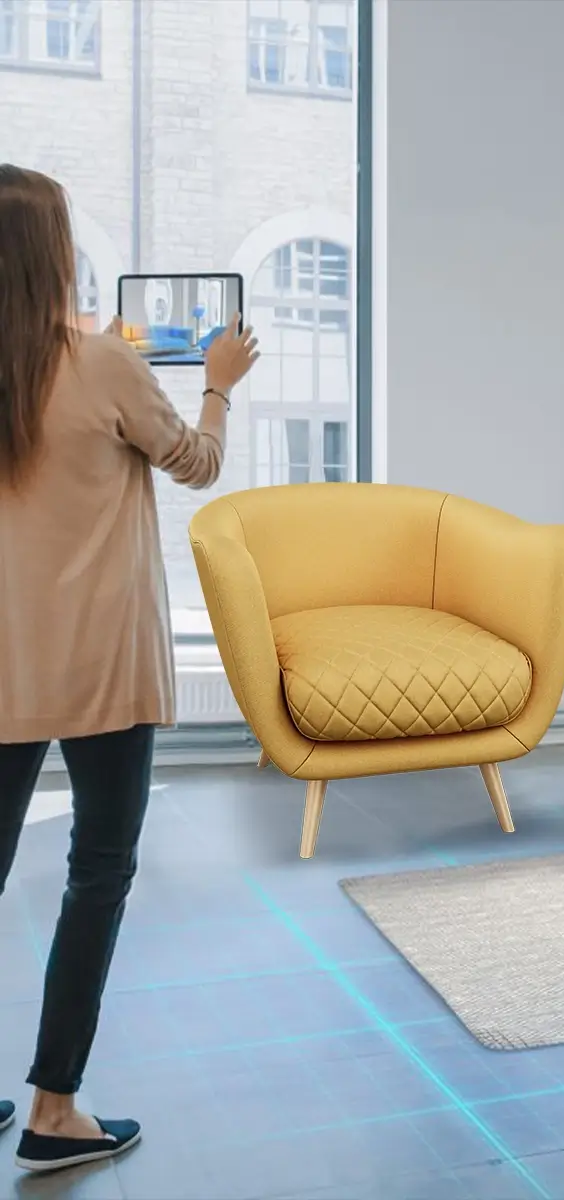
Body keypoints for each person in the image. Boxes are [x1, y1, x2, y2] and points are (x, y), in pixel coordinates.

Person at [0, 164, 258, 1174]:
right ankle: (54, 1108)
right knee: (96, 875)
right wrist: (217, 385)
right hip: (101, 661)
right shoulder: (102, 363)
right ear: (57, 254)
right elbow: (195, 461)